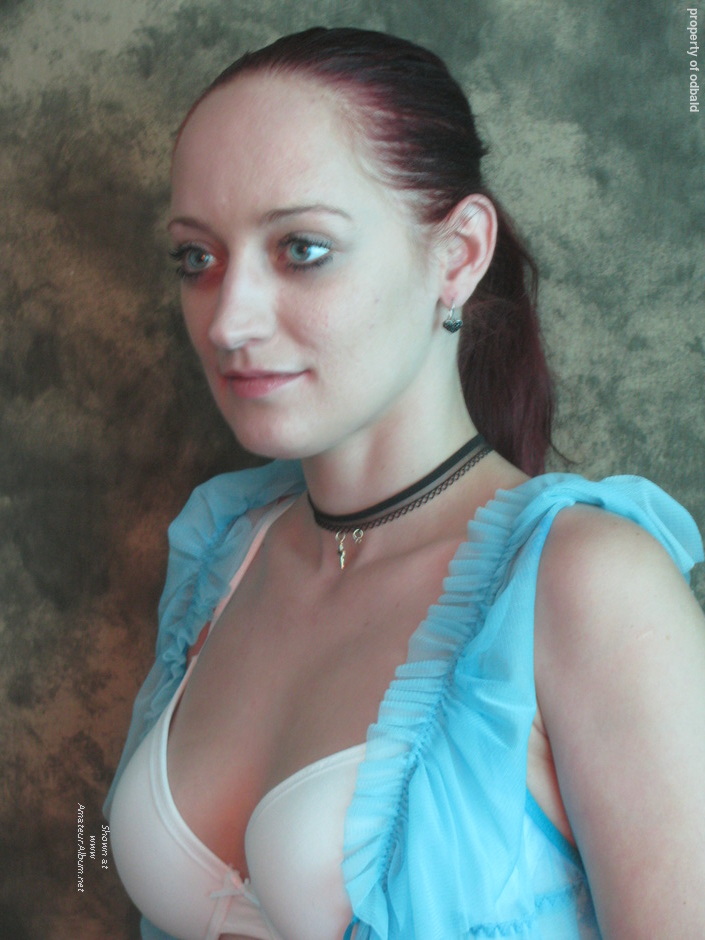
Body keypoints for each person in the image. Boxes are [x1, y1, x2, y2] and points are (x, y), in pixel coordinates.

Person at [104, 26, 705, 940]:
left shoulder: (587, 583)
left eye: (302, 248)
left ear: (457, 254)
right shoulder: (223, 554)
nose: (228, 320)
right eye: (197, 257)